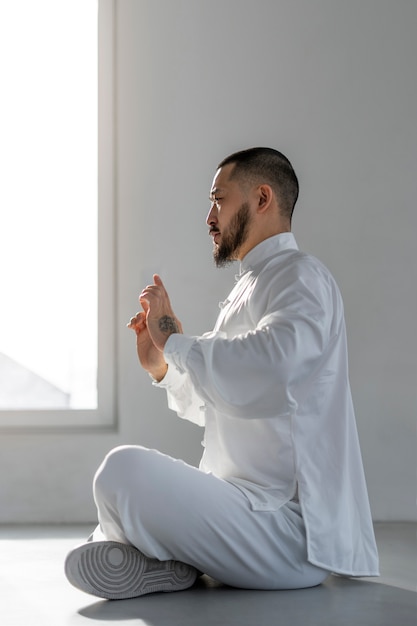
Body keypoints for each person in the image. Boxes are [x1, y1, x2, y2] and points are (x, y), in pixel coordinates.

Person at [65, 147, 379, 600]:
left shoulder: (302, 277)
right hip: (239, 507)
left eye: (219, 199)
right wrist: (163, 366)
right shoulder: (250, 287)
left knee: (122, 470)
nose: (209, 216)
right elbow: (225, 399)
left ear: (262, 198)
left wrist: (175, 341)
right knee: (119, 473)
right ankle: (170, 564)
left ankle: (156, 555)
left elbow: (275, 369)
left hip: (286, 532)